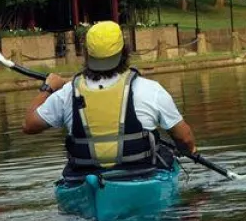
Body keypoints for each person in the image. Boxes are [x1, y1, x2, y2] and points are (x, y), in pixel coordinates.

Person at [22, 21, 197, 177]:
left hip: (86, 178)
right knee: (165, 155)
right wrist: (188, 150)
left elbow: (29, 125)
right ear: (125, 52)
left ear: (87, 55)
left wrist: (48, 88)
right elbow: (185, 138)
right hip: (140, 176)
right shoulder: (151, 90)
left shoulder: (67, 93)